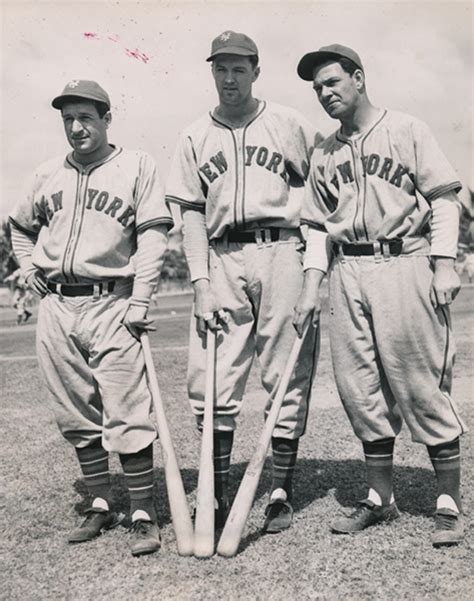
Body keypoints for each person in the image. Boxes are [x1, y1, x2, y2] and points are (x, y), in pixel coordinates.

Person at [294, 45, 466, 547]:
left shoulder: (407, 129)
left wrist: (444, 262)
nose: (325, 94)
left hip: (403, 262)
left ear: (359, 78)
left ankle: (448, 504)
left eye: (332, 83)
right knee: (359, 387)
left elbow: (443, 199)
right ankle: (380, 499)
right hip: (348, 268)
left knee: (419, 380)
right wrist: (310, 287)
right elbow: (315, 229)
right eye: (317, 88)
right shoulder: (323, 152)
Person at [166, 31, 322, 533]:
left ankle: (280, 488)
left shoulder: (289, 123)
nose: (229, 78)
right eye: (220, 68)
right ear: (211, 72)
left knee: (286, 371)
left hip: (282, 250)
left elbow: (321, 200)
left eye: (238, 68)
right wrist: (199, 282)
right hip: (221, 255)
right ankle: (214, 489)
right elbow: (190, 214)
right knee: (209, 375)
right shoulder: (195, 135)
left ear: (256, 71)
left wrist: (313, 266)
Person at [9, 80, 174, 556]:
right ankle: (100, 503)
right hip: (57, 304)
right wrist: (27, 268)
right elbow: (19, 228)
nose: (76, 127)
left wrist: (141, 299)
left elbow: (153, 238)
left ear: (106, 118)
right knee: (76, 410)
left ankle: (143, 510)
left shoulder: (136, 166)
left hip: (112, 301)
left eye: (85, 117)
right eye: (68, 119)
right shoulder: (45, 174)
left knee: (126, 407)